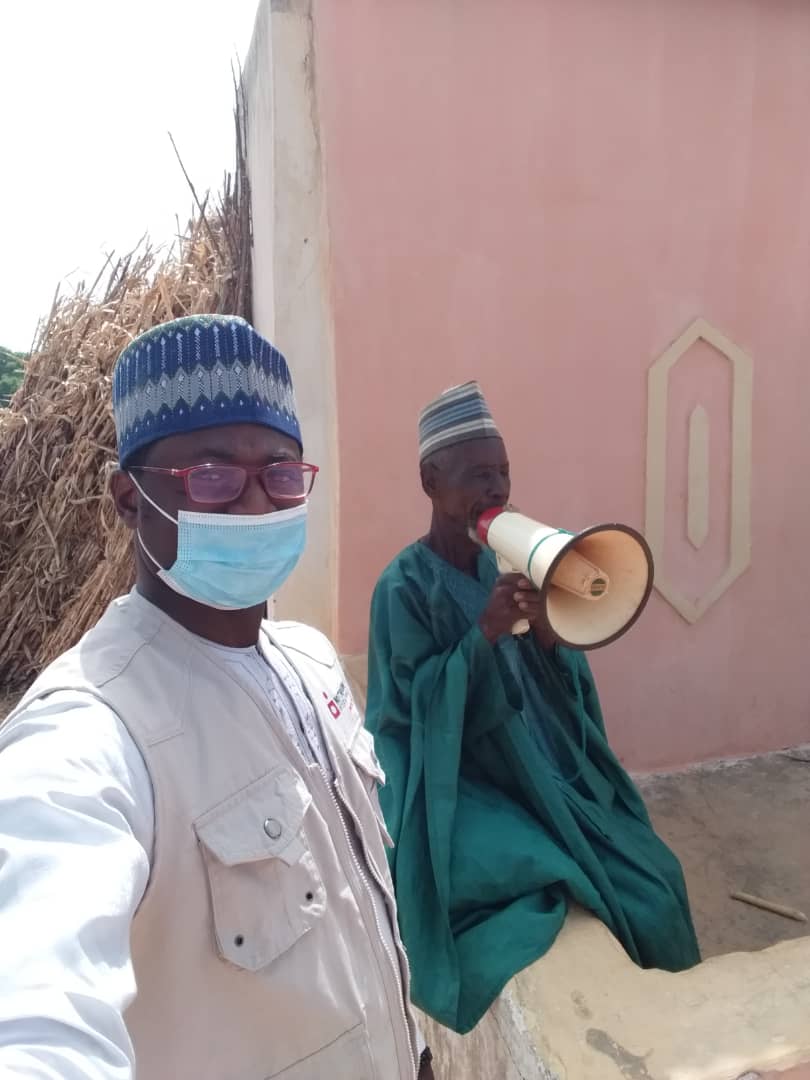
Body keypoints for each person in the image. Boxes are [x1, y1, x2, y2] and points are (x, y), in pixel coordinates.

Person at [0, 315, 434, 1079]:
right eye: (212, 478)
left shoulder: (310, 664)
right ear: (130, 498)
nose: (257, 506)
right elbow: (38, 1010)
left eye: (280, 475)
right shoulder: (91, 732)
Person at [366, 380, 700, 1035]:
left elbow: (554, 688)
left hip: (539, 763)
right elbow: (408, 717)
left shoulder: (505, 561)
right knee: (541, 879)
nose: (495, 488)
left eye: (503, 472)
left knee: (656, 879)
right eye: (477, 475)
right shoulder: (401, 588)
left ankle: (672, 1031)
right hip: (467, 786)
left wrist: (549, 635)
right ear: (431, 481)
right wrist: (483, 636)